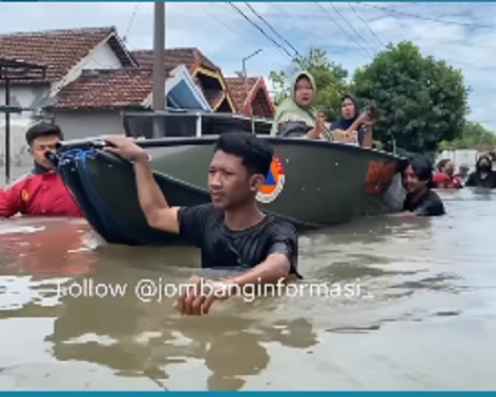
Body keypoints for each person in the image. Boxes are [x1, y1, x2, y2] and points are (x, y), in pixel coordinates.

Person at [104, 132, 301, 316]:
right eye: (212, 171)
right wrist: (140, 160)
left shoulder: (279, 230)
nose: (215, 182)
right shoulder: (206, 217)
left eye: (227, 174)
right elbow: (157, 215)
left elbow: (279, 266)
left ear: (255, 183)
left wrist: (230, 286)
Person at [0, 122, 82, 218]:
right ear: (31, 152)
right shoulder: (22, 184)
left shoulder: (82, 178)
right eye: (41, 148)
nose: (48, 152)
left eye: (52, 147)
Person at [270, 71, 353, 143]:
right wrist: (315, 131)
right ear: (293, 91)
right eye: (299, 88)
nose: (305, 92)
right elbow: (291, 147)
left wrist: (336, 136)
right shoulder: (289, 113)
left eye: (309, 88)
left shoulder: (311, 112)